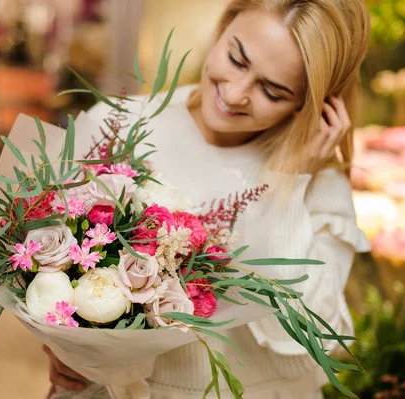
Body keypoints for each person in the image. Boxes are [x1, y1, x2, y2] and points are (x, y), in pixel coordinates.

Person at [45, 0, 371, 397]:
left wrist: (286, 182)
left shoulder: (320, 178)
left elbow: (314, 335)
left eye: (272, 91)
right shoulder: (117, 125)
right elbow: (49, 266)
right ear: (224, 25)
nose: (235, 95)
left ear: (316, 103)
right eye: (236, 59)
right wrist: (66, 345)